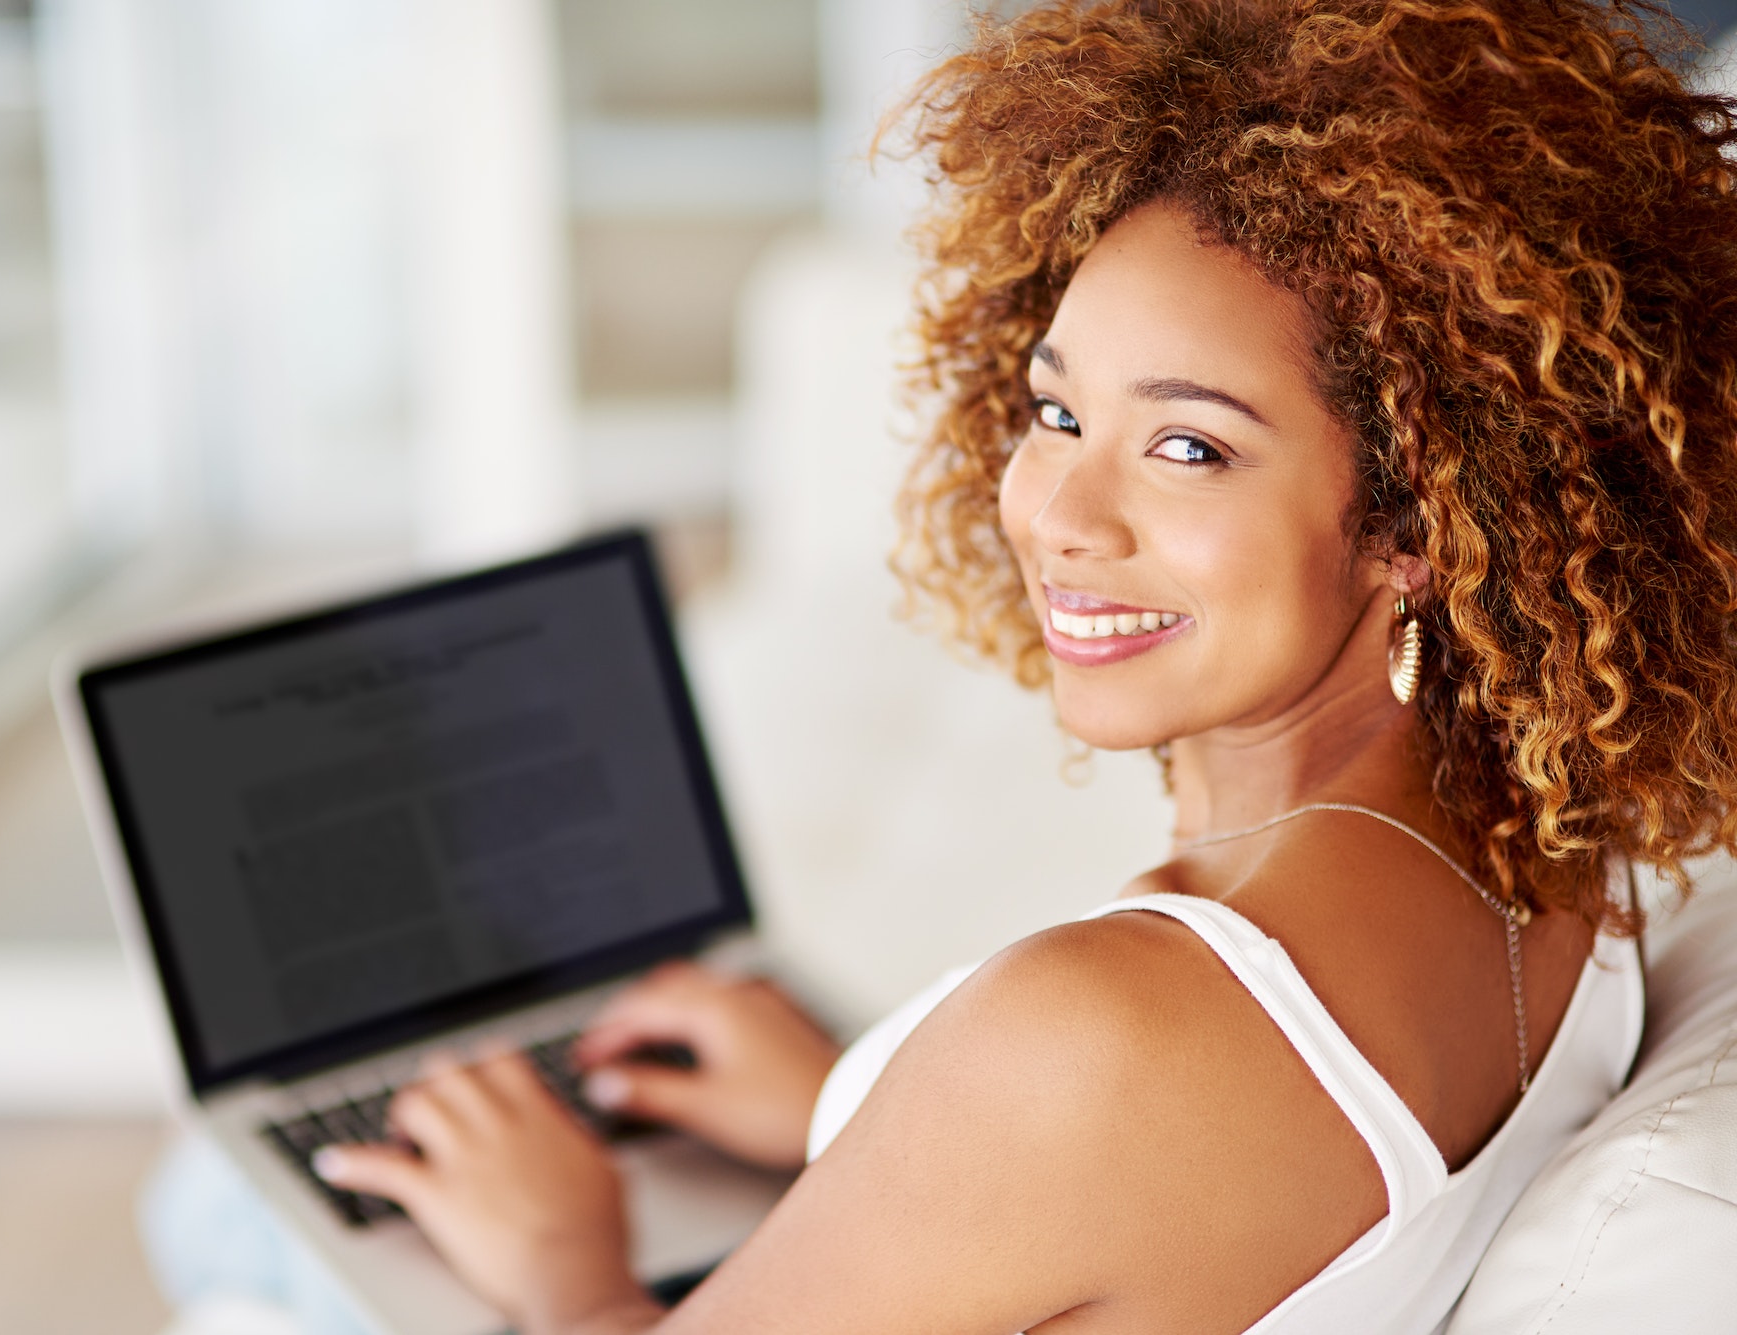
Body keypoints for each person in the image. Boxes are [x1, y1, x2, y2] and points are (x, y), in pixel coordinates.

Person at [289, 1, 1737, 1331]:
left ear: (1433, 517)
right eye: (1056, 412)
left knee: (255, 1229)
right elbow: (1184, 1197)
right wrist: (859, 1106)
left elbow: (1115, 1113)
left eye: (1190, 446)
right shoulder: (1545, 849)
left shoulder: (1090, 1037)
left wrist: (567, 1263)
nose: (1057, 513)